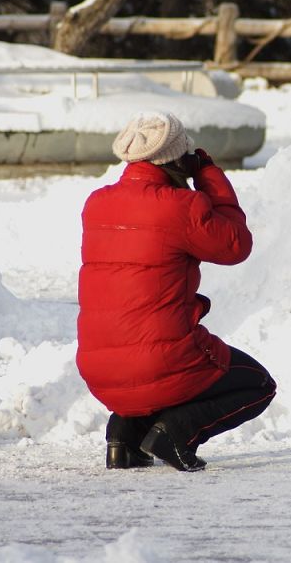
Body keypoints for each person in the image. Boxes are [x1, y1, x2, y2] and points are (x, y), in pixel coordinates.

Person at [76, 111, 276, 472]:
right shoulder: (179, 207)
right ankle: (175, 433)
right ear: (177, 158)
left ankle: (123, 435)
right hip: (158, 363)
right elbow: (236, 245)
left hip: (98, 370)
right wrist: (208, 174)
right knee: (258, 384)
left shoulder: (96, 203)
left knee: (154, 364)